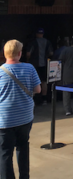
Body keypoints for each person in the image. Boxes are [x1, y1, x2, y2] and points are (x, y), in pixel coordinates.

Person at [0, 40, 41, 178]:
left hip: (5, 120)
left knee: (5, 153)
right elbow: (38, 89)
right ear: (19, 53)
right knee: (23, 147)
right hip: (25, 117)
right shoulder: (29, 68)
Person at [23, 29, 52, 105]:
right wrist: (46, 57)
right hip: (45, 64)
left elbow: (28, 54)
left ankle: (34, 99)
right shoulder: (47, 42)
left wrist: (28, 60)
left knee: (33, 81)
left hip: (34, 64)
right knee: (44, 81)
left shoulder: (32, 42)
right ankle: (44, 99)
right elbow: (51, 53)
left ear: (36, 34)